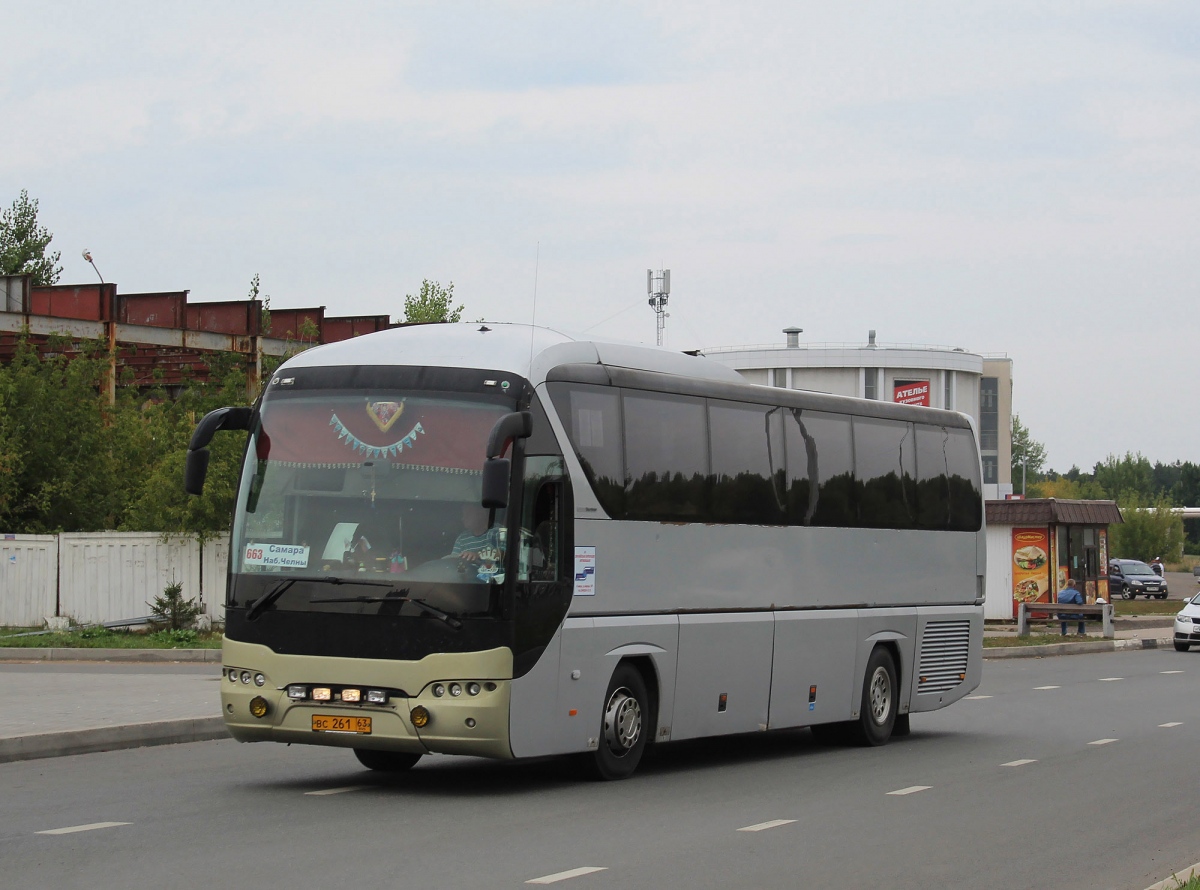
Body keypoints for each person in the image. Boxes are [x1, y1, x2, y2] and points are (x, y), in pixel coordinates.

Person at [448, 503, 506, 581]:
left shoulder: (498, 532)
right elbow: (453, 562)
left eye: (468, 514)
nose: (463, 518)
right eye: (463, 515)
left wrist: (477, 555)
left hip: (492, 584)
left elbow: (503, 554)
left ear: (481, 513)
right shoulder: (462, 538)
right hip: (465, 582)